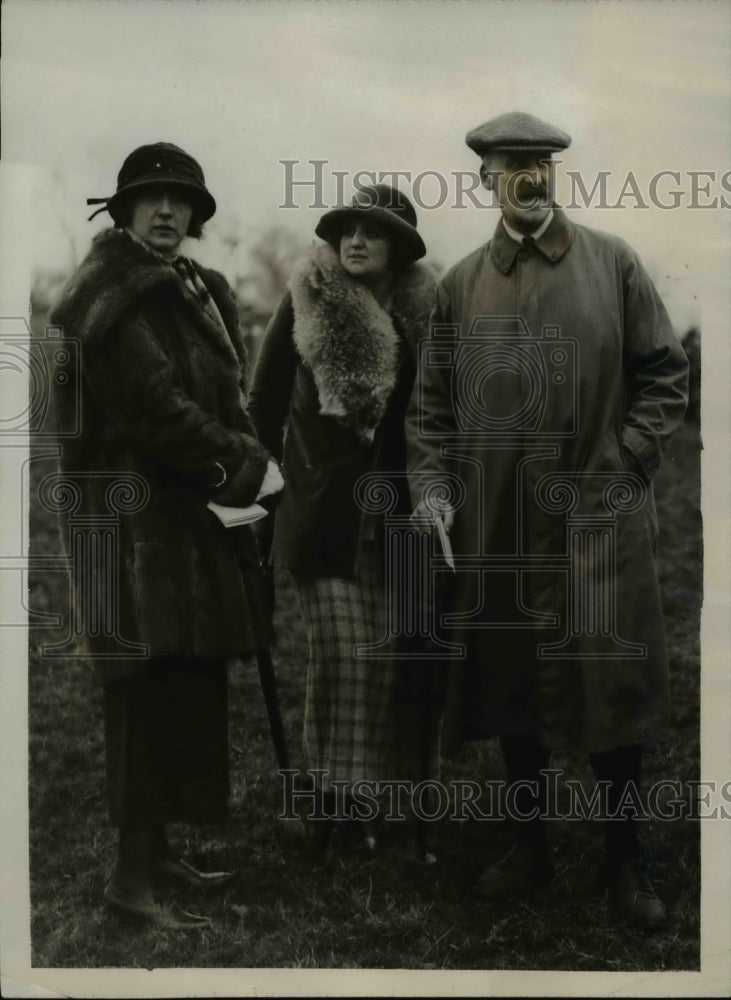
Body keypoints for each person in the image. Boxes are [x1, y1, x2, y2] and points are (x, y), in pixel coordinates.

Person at [406, 112, 689, 927]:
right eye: (509, 165)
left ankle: (624, 862)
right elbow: (429, 407)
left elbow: (664, 373)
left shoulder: (612, 264)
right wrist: (431, 485)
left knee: (610, 685)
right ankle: (525, 846)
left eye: (538, 163)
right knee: (510, 680)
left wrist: (624, 458)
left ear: (553, 173)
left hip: (597, 521)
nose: (525, 177)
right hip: (497, 521)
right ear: (483, 179)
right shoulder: (460, 284)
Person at [51, 142, 283, 929]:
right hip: (125, 528)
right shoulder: (109, 295)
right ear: (121, 210)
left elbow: (223, 399)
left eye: (179, 200)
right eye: (149, 197)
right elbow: (151, 412)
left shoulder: (193, 287)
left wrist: (234, 475)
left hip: (180, 524)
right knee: (140, 699)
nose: (165, 211)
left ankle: (156, 859)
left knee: (179, 688)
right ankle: (129, 887)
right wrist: (246, 465)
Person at [248, 184, 436, 848]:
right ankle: (337, 802)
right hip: (319, 513)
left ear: (400, 248)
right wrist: (256, 499)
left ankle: (373, 801)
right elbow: (261, 408)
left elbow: (441, 419)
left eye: (372, 231)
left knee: (390, 657)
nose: (355, 240)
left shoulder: (427, 319)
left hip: (398, 520)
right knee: (344, 656)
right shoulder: (306, 301)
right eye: (346, 229)